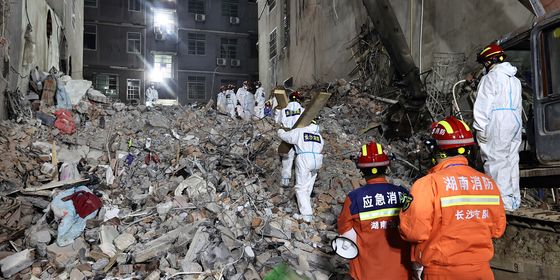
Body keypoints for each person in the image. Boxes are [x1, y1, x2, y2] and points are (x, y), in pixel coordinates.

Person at [399, 116, 507, 280]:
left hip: (443, 272)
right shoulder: (488, 183)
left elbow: (414, 232)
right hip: (482, 272)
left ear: (435, 149)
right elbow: (498, 229)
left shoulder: (428, 184)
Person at [337, 142, 411, 280]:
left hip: (367, 273)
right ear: (386, 166)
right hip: (401, 272)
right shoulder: (402, 194)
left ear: (361, 170)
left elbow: (344, 230)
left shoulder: (355, 198)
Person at [473, 43, 522, 211]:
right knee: (511, 159)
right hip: (514, 121)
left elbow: (483, 106)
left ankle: (502, 203)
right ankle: (514, 199)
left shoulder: (490, 78)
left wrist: (480, 128)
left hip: (498, 121)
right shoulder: (514, 80)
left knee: (495, 161)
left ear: (488, 62)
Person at [277, 119, 323, 222]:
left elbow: (287, 137)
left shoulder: (300, 131)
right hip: (317, 159)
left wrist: (280, 131)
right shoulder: (318, 135)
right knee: (308, 185)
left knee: (300, 187)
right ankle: (306, 209)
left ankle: (306, 215)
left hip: (304, 158)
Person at [278, 92, 305, 187]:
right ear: (298, 99)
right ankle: (299, 182)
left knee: (287, 158)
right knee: (300, 158)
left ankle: (285, 180)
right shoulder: (303, 110)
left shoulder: (283, 110)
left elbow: (278, 122)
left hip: (287, 134)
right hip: (298, 135)